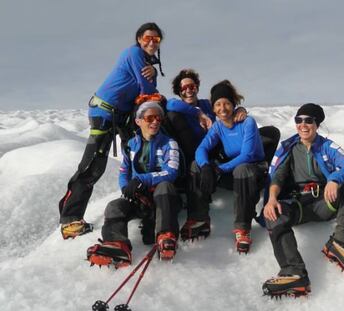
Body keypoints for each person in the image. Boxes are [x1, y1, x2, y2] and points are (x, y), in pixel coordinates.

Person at [59, 22, 165, 239]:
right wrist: (153, 76)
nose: (152, 42)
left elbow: (145, 91)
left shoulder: (146, 62)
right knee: (93, 165)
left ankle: (138, 199)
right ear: (139, 39)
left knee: (136, 153)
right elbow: (146, 90)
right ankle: (70, 219)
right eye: (148, 38)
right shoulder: (134, 53)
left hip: (121, 116)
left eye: (156, 39)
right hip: (105, 113)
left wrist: (153, 71)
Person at [261, 103, 344, 298]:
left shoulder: (327, 147)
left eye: (308, 120)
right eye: (298, 120)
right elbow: (278, 178)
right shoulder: (290, 148)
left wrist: (335, 179)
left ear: (317, 124)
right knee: (273, 212)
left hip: (326, 202)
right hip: (299, 204)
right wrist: (272, 198)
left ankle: (341, 243)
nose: (303, 125)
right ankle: (294, 272)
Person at [86, 101, 181, 266]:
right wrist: (126, 188)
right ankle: (117, 245)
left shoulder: (169, 143)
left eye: (158, 118)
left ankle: (166, 237)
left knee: (165, 186)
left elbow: (171, 172)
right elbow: (124, 171)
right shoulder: (131, 145)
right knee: (114, 206)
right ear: (139, 121)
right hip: (140, 199)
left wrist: (140, 180)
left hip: (163, 198)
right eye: (150, 117)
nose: (155, 121)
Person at [181, 80, 268, 254]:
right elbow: (202, 149)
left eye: (227, 103)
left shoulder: (247, 123)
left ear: (233, 105)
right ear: (213, 109)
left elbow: (248, 155)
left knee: (242, 168)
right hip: (232, 171)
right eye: (218, 104)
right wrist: (206, 166)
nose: (223, 108)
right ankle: (199, 218)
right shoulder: (218, 126)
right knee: (195, 165)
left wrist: (219, 169)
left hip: (254, 171)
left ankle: (243, 229)